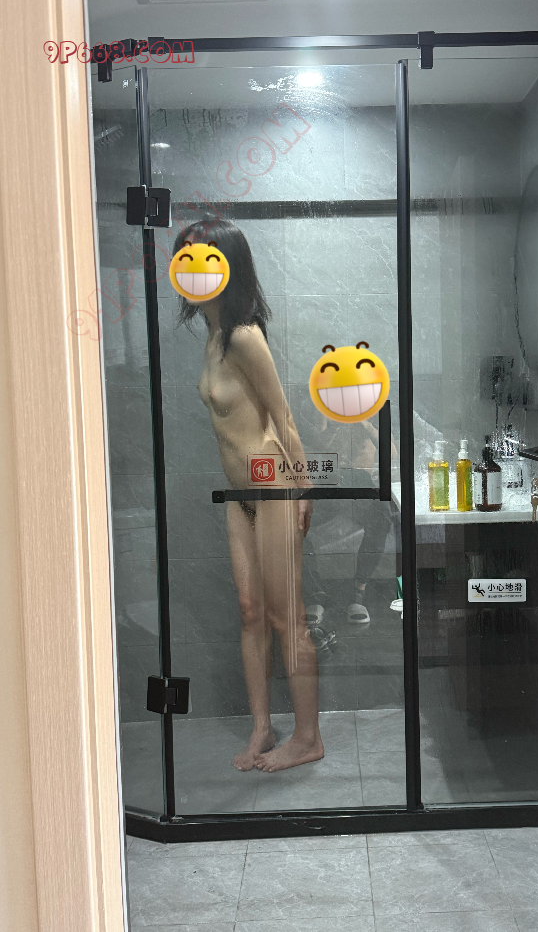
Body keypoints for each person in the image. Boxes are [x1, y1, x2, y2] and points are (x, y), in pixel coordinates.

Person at [174, 218, 323, 773]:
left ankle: (307, 738)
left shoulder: (243, 335)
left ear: (227, 266)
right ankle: (262, 727)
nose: (191, 268)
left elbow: (283, 416)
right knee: (250, 612)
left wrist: (303, 487)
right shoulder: (214, 335)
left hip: (273, 487)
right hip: (239, 495)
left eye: (202, 257)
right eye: (184, 257)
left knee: (287, 616)